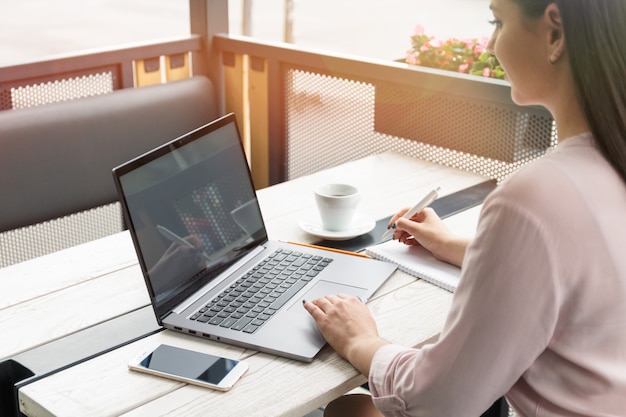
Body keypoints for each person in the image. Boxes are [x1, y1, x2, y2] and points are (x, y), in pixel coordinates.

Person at [303, 0, 626, 415]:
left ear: (555, 32)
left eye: (498, 21)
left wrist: (359, 341)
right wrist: (456, 246)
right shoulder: (606, 163)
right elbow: (585, 272)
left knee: (349, 409)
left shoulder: (537, 195)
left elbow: (441, 401)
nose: (491, 44)